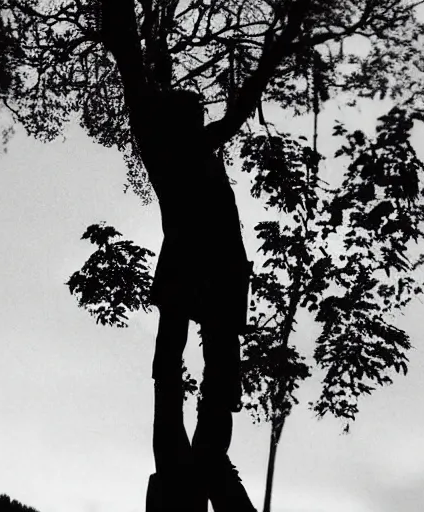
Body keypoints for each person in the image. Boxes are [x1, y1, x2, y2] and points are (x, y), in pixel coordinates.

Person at [141, 90, 256, 512]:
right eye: (195, 115)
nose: (200, 121)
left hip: (216, 271)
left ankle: (206, 449)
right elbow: (229, 124)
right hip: (198, 269)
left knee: (211, 363)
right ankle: (196, 450)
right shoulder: (184, 150)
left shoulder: (188, 154)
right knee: (177, 360)